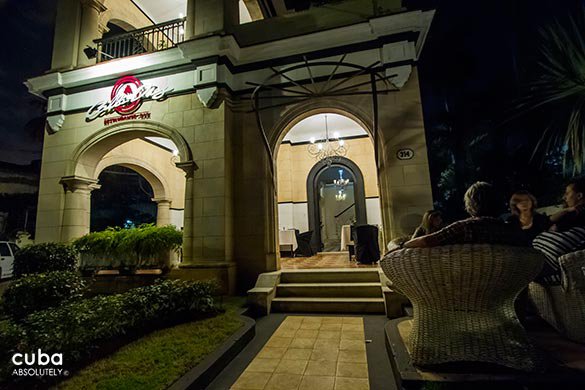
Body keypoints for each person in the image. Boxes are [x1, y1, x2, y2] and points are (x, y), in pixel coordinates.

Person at [403, 182, 528, 248]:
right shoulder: (510, 230)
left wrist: (403, 245)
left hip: (466, 284)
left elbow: (427, 241)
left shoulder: (465, 227)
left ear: (470, 205)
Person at [533, 177, 585, 283]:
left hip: (550, 267)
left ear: (579, 196)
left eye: (567, 193)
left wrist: (565, 213)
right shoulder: (572, 214)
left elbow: (548, 226)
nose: (564, 197)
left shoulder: (576, 215)